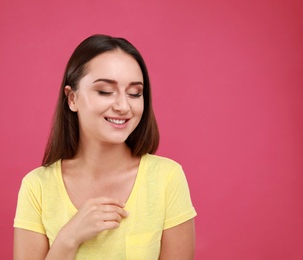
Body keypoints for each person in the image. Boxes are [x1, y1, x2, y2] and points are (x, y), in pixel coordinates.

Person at [13, 34, 197, 259]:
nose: (123, 106)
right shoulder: (36, 187)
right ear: (72, 99)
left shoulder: (167, 178)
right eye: (105, 91)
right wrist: (68, 239)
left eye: (134, 93)